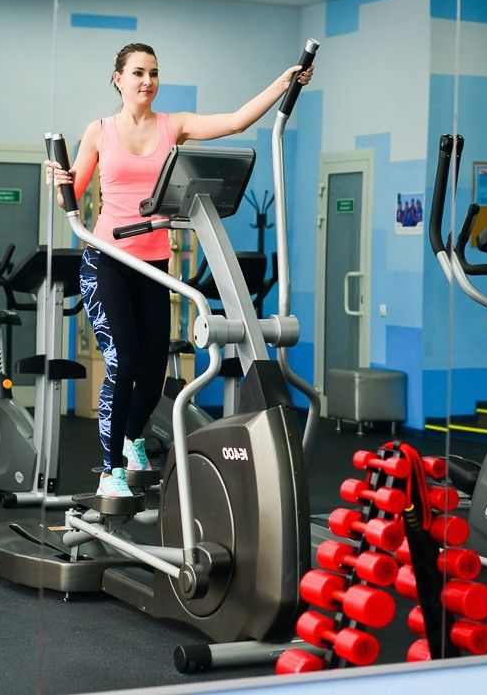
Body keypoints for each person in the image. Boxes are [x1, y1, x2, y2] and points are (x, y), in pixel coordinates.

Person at [47, 42, 313, 498]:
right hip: (108, 259)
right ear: (118, 79)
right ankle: (110, 470)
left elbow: (237, 120)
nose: (147, 81)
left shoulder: (176, 125)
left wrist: (284, 82)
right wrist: (59, 183)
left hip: (154, 265)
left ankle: (132, 439)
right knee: (122, 360)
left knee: (154, 370)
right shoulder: (98, 131)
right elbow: (69, 198)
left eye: (153, 72)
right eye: (137, 72)